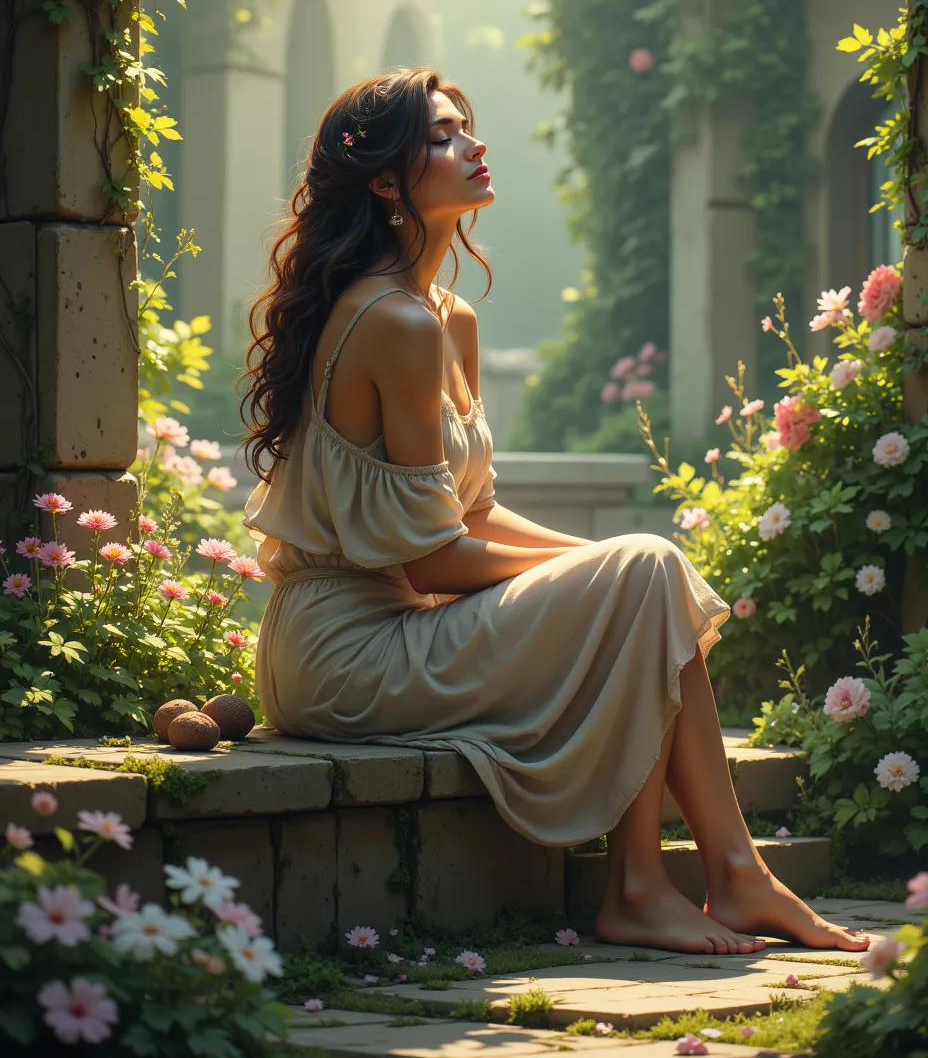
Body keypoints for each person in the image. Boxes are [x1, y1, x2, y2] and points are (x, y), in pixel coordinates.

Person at [238, 67, 870, 957]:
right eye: (445, 135)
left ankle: (727, 878)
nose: (475, 144)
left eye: (469, 126)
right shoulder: (393, 323)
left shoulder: (447, 318)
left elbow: (477, 515)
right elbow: (429, 563)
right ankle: (660, 886)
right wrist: (618, 576)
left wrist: (617, 567)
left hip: (407, 625)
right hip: (344, 654)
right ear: (383, 180)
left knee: (647, 576)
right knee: (643, 578)